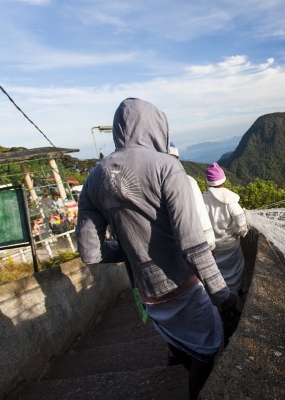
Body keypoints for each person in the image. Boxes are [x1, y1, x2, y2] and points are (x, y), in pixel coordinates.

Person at [75, 98, 236, 400]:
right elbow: (191, 243)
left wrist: (127, 251)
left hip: (148, 295)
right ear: (157, 127)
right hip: (183, 286)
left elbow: (90, 253)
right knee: (210, 348)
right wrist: (222, 294)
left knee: (186, 347)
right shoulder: (167, 167)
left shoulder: (92, 179)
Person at [202, 163, 248, 345]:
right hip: (231, 246)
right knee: (235, 274)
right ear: (224, 180)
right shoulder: (231, 201)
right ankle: (235, 305)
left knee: (218, 276)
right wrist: (241, 233)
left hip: (212, 250)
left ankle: (223, 304)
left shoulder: (202, 200)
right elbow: (241, 225)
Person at [168, 143, 216, 253]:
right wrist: (210, 244)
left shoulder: (152, 184)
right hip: (192, 244)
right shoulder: (188, 181)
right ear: (178, 158)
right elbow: (200, 213)